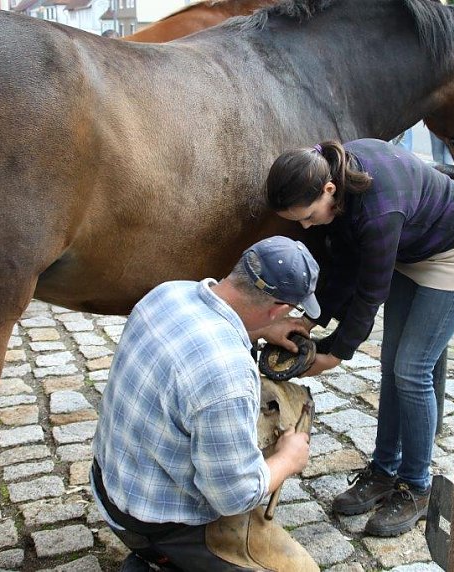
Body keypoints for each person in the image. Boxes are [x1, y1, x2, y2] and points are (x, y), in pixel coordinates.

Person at [265, 138, 454, 537]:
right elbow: (346, 265)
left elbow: (370, 294)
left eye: (308, 216)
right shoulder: (332, 174)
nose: (306, 226)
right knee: (392, 364)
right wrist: (311, 322)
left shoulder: (377, 211)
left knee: (412, 370)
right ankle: (385, 470)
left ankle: (417, 486)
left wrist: (336, 355)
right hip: (411, 249)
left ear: (328, 190)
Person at [91, 236, 321, 571]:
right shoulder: (228, 372)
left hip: (109, 485)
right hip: (155, 524)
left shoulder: (168, 292)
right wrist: (288, 458)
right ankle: (165, 557)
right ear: (278, 310)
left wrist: (259, 330)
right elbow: (235, 497)